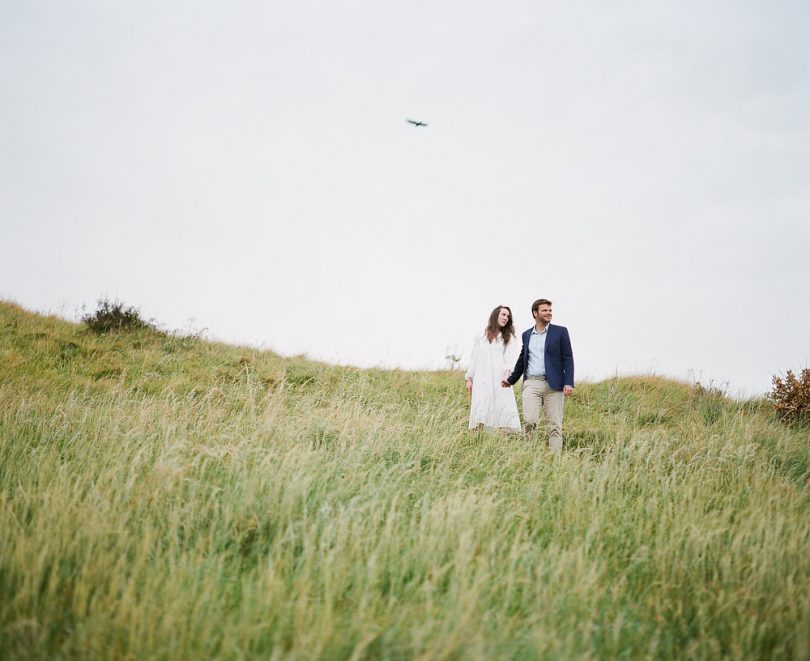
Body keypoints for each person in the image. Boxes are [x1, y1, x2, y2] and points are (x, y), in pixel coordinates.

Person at [501, 298, 574, 451]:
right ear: (535, 313)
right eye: (545, 310)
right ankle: (529, 455)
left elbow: (567, 357)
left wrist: (568, 382)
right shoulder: (526, 335)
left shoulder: (561, 332)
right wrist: (511, 380)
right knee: (529, 421)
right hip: (531, 383)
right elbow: (523, 359)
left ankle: (555, 461)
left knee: (555, 424)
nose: (549, 313)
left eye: (550, 311)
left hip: (554, 385)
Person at [465, 305, 521, 432]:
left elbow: (509, 359)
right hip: (482, 379)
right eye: (503, 314)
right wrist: (469, 378)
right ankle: (478, 440)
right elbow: (474, 356)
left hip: (500, 378)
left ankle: (504, 440)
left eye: (508, 316)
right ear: (495, 315)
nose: (506, 318)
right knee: (481, 408)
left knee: (503, 408)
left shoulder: (508, 337)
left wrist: (506, 375)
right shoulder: (481, 335)